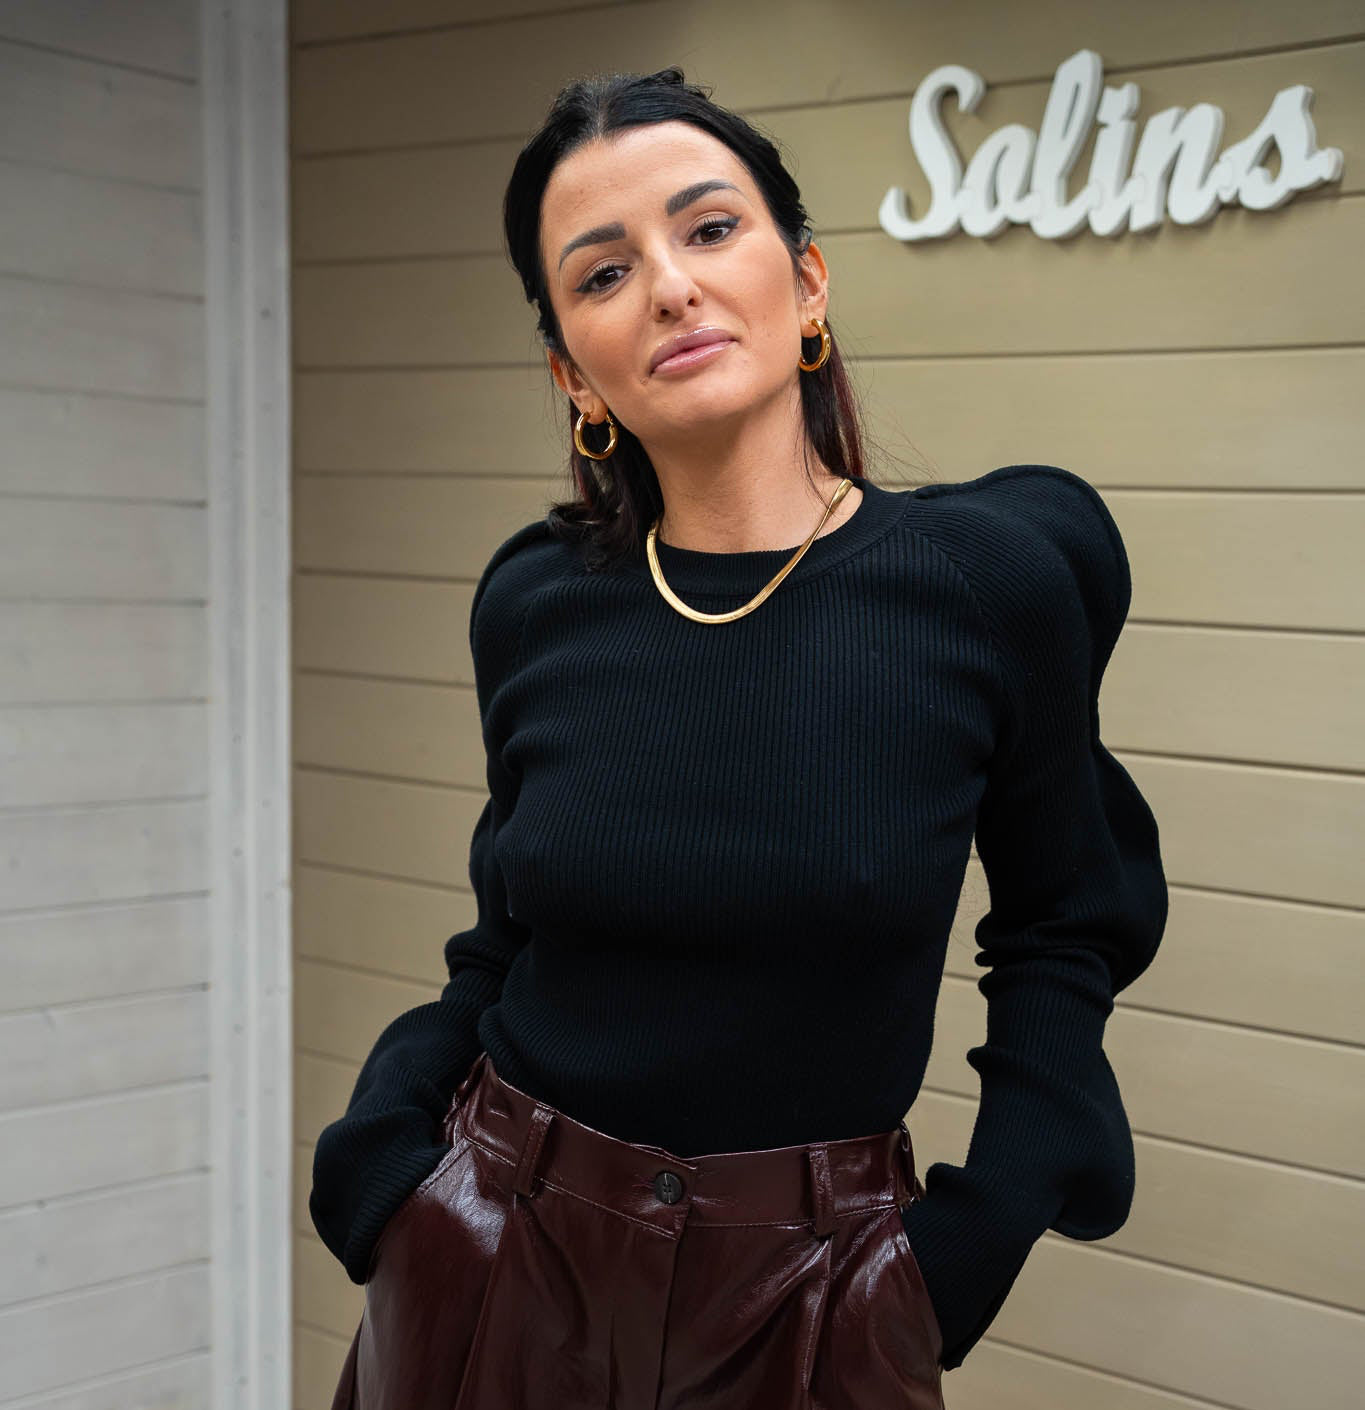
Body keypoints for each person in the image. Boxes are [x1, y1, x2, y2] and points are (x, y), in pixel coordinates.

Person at [309, 67, 1168, 1410]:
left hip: (817, 1299)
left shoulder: (982, 586)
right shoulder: (535, 601)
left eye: (709, 229)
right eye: (603, 273)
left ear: (807, 282)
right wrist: (386, 1164)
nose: (669, 287)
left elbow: (1065, 923)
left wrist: (977, 1231)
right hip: (492, 1256)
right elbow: (504, 935)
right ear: (572, 373)